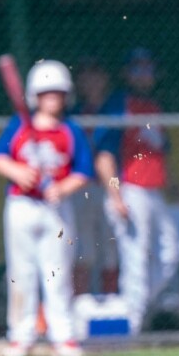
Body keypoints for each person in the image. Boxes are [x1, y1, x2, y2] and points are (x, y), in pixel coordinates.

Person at [0, 59, 94, 356]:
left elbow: (82, 171)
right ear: (34, 97)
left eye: (58, 94)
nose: (53, 99)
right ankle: (21, 336)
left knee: (57, 273)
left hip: (56, 208)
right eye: (47, 94)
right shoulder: (19, 126)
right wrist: (18, 172)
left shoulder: (70, 130)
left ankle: (63, 335)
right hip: (22, 204)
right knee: (21, 273)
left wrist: (61, 188)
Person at [94, 47, 179, 334]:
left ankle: (147, 311)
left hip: (155, 191)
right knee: (136, 259)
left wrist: (174, 187)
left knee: (169, 256)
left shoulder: (155, 104)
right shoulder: (119, 103)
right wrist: (115, 194)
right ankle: (133, 325)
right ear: (126, 73)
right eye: (137, 68)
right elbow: (105, 154)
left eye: (148, 68)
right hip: (130, 189)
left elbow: (160, 154)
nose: (144, 74)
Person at [70, 57, 118, 296]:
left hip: (114, 186)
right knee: (84, 249)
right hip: (81, 187)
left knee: (112, 248)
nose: (91, 81)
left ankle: (113, 303)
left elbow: (110, 157)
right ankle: (81, 303)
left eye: (96, 74)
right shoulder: (74, 113)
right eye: (85, 76)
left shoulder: (115, 108)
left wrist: (116, 191)